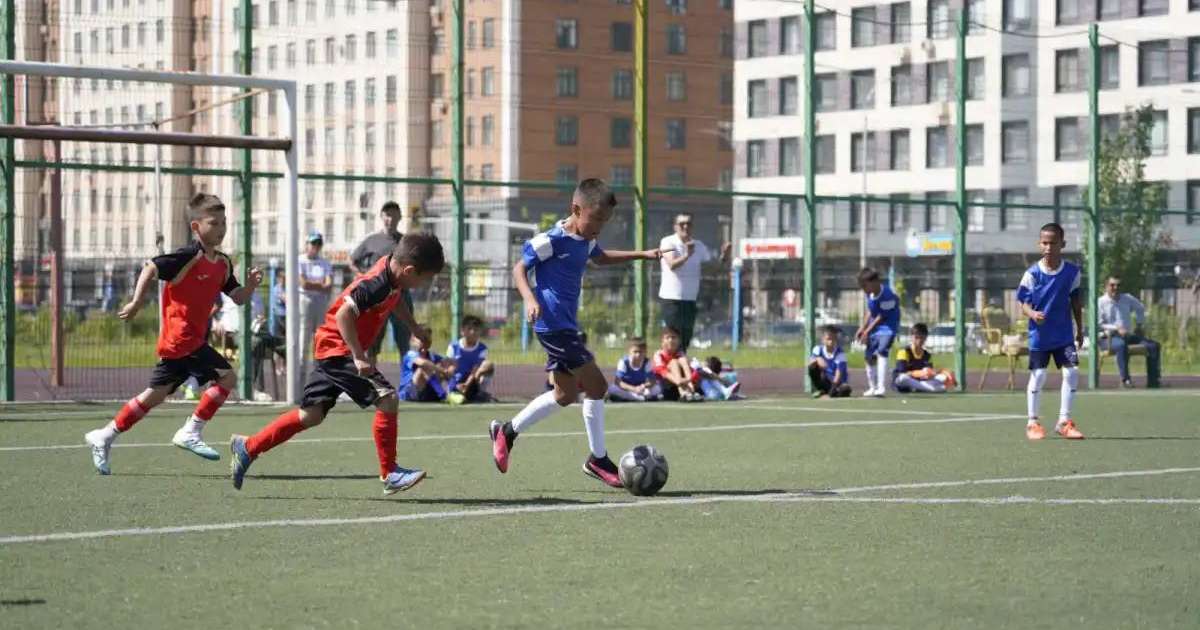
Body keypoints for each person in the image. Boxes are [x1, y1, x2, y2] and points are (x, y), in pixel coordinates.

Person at [229, 233, 444, 495]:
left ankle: (248, 447)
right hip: (338, 348)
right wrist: (358, 355)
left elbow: (395, 300)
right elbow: (344, 314)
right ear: (409, 270)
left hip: (330, 347)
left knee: (311, 415)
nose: (423, 284)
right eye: (424, 279)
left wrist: (414, 328)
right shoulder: (376, 283)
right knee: (387, 399)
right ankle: (390, 473)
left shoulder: (394, 275)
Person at [487, 178, 664, 488]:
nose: (599, 227)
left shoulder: (587, 240)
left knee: (565, 395)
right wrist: (529, 299)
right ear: (575, 209)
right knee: (597, 386)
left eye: (604, 222)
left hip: (566, 327)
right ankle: (598, 459)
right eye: (595, 219)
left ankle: (507, 431)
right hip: (553, 327)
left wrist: (643, 255)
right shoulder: (551, 240)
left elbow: (601, 257)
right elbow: (518, 269)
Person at [83, 193, 263, 475]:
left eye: (224, 223)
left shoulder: (223, 263)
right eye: (214, 223)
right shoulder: (188, 256)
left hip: (188, 342)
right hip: (181, 338)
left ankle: (104, 435)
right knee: (228, 376)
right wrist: (137, 301)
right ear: (196, 227)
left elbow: (237, 297)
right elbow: (151, 267)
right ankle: (191, 431)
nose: (221, 228)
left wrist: (250, 286)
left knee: (152, 396)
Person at [1017, 222, 1085, 441]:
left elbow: (1076, 302)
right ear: (1039, 244)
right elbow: (1023, 303)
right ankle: (1032, 423)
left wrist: (1080, 329)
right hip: (1040, 336)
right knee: (1038, 375)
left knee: (1072, 372)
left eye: (1052, 243)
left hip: (1063, 335)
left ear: (1062, 244)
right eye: (1044, 243)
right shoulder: (1032, 274)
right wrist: (1033, 314)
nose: (1048, 247)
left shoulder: (1072, 272)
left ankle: (1064, 422)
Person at [658, 212, 731, 353]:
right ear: (675, 227)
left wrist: (724, 257)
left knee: (685, 339)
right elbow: (672, 265)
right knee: (671, 339)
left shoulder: (698, 245)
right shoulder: (668, 242)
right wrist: (687, 255)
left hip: (690, 300)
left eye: (688, 224)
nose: (685, 227)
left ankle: (681, 369)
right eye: (681, 224)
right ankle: (666, 369)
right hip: (671, 299)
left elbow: (712, 269)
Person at [351, 201, 412, 361]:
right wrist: (362, 277)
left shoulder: (406, 241)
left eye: (394, 215)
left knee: (404, 343)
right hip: (377, 298)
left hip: (401, 296)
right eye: (387, 215)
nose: (390, 219)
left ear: (399, 217)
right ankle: (372, 381)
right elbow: (352, 261)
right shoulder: (371, 240)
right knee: (373, 343)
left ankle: (406, 384)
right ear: (381, 217)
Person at [1098, 275, 1161, 388]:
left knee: (1153, 346)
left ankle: (1153, 381)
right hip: (1107, 338)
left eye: (1118, 285)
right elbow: (1099, 324)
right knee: (1121, 345)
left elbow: (1140, 308)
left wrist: (1139, 325)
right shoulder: (1100, 302)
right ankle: (1125, 380)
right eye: (1112, 285)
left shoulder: (1127, 298)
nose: (1115, 288)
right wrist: (1116, 328)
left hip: (1127, 336)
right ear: (1106, 286)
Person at [855, 267, 900, 398]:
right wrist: (862, 328)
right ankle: (872, 387)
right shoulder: (869, 293)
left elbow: (882, 316)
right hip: (874, 325)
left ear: (874, 282)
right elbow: (870, 311)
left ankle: (881, 387)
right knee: (869, 356)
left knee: (882, 350)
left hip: (888, 326)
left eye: (865, 285)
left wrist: (867, 331)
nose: (863, 289)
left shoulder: (887, 295)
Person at [298, 231, 333, 377]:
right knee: (303, 338)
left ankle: (317, 372)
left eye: (319, 244)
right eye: (313, 243)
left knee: (319, 338)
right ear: (307, 245)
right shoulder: (300, 260)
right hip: (305, 301)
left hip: (320, 302)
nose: (316, 246)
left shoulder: (325, 262)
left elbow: (329, 285)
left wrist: (316, 285)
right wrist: (320, 284)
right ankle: (300, 372)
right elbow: (304, 284)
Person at [892, 323, 956, 394]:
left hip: (920, 381)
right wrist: (917, 373)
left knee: (942, 377)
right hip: (904, 382)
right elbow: (902, 372)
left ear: (926, 338)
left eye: (922, 337)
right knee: (903, 378)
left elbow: (929, 374)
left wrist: (941, 372)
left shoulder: (927, 355)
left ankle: (922, 388)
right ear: (912, 337)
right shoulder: (904, 351)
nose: (919, 340)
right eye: (916, 337)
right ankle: (935, 389)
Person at [446, 314, 496, 403]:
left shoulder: (482, 348)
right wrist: (456, 385)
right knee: (449, 369)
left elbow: (476, 369)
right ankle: (451, 393)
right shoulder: (453, 347)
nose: (473, 332)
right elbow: (449, 370)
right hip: (457, 383)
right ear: (462, 331)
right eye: (469, 329)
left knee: (488, 365)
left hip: (472, 380)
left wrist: (467, 384)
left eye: (476, 329)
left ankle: (479, 392)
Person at [607, 337, 663, 402]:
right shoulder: (624, 362)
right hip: (627, 389)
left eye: (641, 352)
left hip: (641, 389)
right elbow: (618, 382)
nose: (638, 355)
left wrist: (643, 386)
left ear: (645, 352)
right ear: (629, 351)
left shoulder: (646, 362)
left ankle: (632, 398)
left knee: (657, 388)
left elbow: (652, 381)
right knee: (612, 389)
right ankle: (641, 398)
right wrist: (634, 389)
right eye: (635, 352)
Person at [653, 326, 702, 401]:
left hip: (682, 383)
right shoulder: (658, 355)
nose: (671, 340)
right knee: (674, 362)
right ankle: (683, 393)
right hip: (666, 387)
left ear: (679, 341)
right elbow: (662, 371)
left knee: (682, 360)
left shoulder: (681, 354)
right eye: (667, 338)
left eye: (673, 337)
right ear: (662, 341)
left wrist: (689, 379)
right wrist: (678, 381)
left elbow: (693, 370)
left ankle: (690, 391)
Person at [399, 337, 453, 403]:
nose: (424, 340)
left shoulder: (433, 356)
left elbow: (448, 363)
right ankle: (442, 395)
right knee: (424, 368)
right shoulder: (410, 354)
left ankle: (453, 392)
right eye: (420, 338)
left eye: (427, 337)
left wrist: (449, 368)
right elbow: (423, 363)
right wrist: (441, 370)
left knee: (441, 366)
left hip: (427, 392)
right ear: (412, 341)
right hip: (410, 393)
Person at [808, 324, 851, 398]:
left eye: (833, 339)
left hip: (837, 383)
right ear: (823, 340)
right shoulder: (818, 349)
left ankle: (830, 394)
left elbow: (838, 375)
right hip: (826, 380)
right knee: (812, 367)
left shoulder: (840, 353)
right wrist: (818, 359)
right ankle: (820, 390)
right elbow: (810, 363)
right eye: (828, 339)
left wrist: (832, 390)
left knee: (845, 389)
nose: (831, 341)